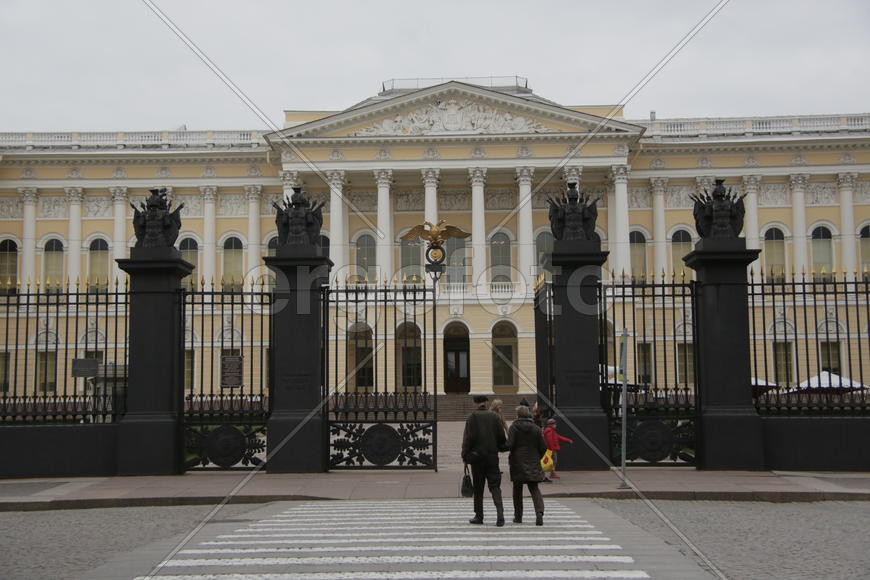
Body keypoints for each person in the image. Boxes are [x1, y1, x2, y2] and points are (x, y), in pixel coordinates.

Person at [462, 394, 507, 526]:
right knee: (495, 486)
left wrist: (465, 455)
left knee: (478, 487)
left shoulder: (472, 417)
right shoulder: (494, 416)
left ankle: (479, 516)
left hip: (477, 458)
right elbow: (501, 437)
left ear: (475, 403)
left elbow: (468, 438)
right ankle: (500, 515)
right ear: (486, 403)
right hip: (492, 457)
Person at [507, 405, 547, 526]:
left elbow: (510, 444)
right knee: (534, 488)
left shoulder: (514, 427)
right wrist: (537, 457)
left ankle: (518, 516)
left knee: (517, 490)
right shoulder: (536, 428)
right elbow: (543, 447)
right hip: (533, 460)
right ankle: (539, 513)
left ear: (518, 415)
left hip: (517, 462)